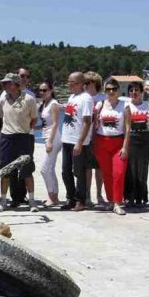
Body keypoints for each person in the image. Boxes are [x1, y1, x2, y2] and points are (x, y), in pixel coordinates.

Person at [0, 73, 39, 212]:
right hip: (7, 138)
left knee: (27, 171)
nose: (5, 85)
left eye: (8, 83)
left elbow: (34, 119)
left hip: (24, 137)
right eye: (4, 83)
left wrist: (24, 130)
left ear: (15, 84)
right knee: (5, 171)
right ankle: (3, 201)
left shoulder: (29, 99)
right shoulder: (2, 100)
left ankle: (32, 202)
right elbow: (2, 118)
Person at [93, 79, 131, 216]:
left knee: (119, 174)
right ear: (104, 90)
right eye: (108, 89)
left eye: (114, 89)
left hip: (118, 142)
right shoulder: (100, 104)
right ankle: (111, 201)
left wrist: (125, 147)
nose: (111, 92)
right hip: (101, 141)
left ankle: (117, 202)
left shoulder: (125, 105)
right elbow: (92, 121)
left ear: (118, 90)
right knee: (107, 174)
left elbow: (128, 128)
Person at [60, 72, 94, 211]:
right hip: (66, 139)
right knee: (65, 171)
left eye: (72, 82)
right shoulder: (72, 97)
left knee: (79, 172)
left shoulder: (86, 99)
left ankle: (81, 200)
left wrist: (80, 142)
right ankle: (71, 198)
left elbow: (87, 122)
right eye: (69, 82)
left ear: (81, 83)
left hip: (78, 141)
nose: (69, 85)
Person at [124, 81, 149, 207]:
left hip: (144, 139)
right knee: (130, 170)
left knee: (143, 170)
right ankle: (129, 197)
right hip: (131, 138)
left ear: (142, 92)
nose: (134, 93)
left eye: (136, 90)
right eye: (131, 90)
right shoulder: (126, 106)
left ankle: (141, 197)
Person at [37, 81, 62, 205]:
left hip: (54, 138)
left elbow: (56, 123)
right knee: (50, 169)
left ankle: (52, 196)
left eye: (45, 90)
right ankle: (54, 197)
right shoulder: (44, 104)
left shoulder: (53, 104)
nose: (42, 92)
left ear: (51, 91)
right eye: (40, 90)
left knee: (44, 169)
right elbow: (45, 124)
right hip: (47, 136)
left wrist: (50, 142)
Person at [84, 71, 107, 206]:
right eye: (84, 83)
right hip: (85, 137)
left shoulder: (103, 99)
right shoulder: (82, 98)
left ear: (95, 84)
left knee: (99, 168)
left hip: (99, 136)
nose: (85, 85)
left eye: (88, 83)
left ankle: (99, 194)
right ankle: (87, 196)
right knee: (87, 168)